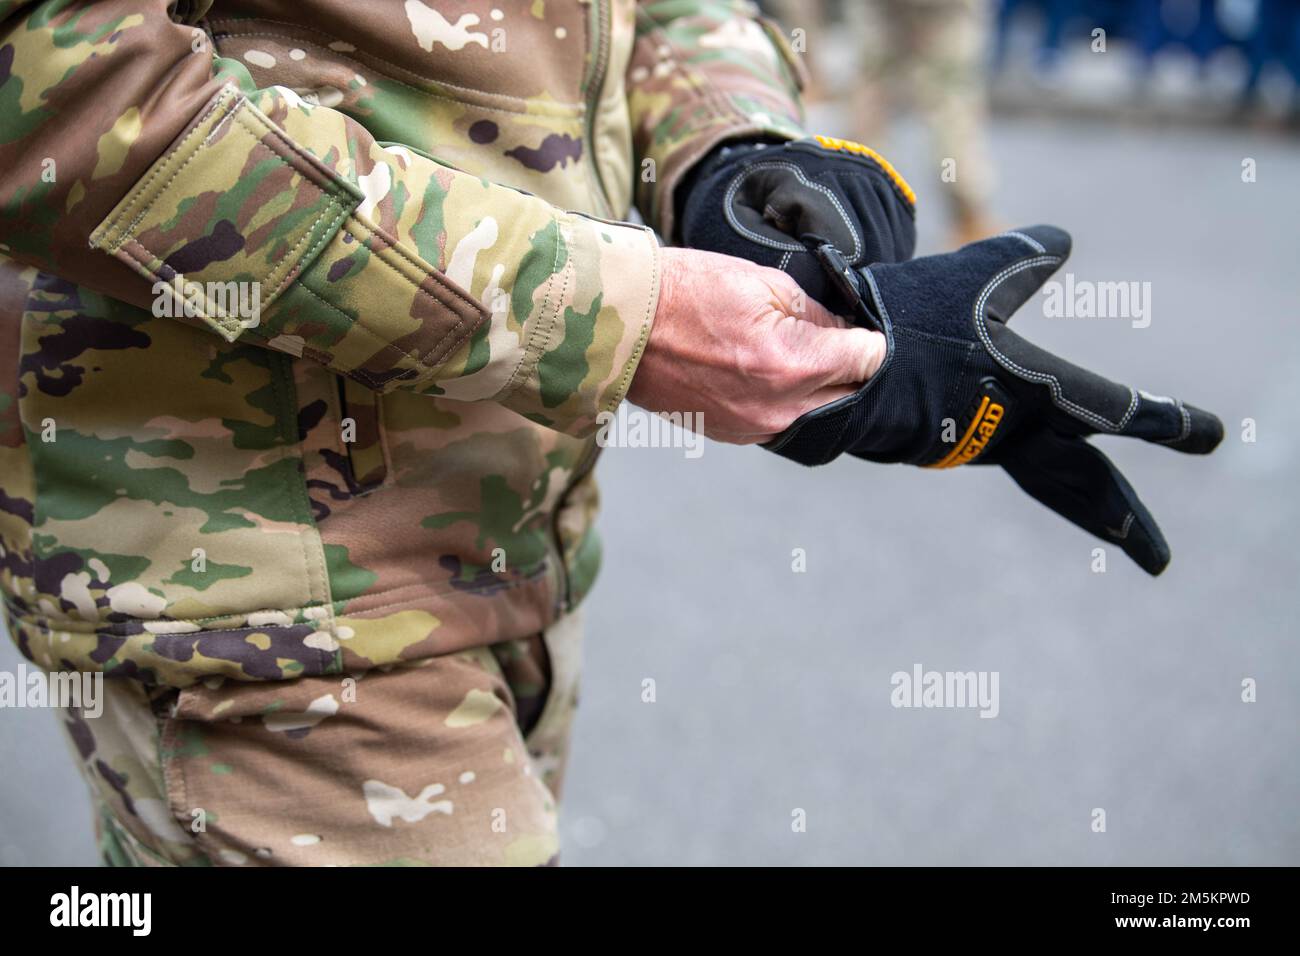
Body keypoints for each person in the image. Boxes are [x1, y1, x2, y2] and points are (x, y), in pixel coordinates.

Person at [0, 0, 1218, 867]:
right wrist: (623, 318)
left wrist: (731, 158)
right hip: (256, 566)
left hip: (515, 533)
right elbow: (61, 85)